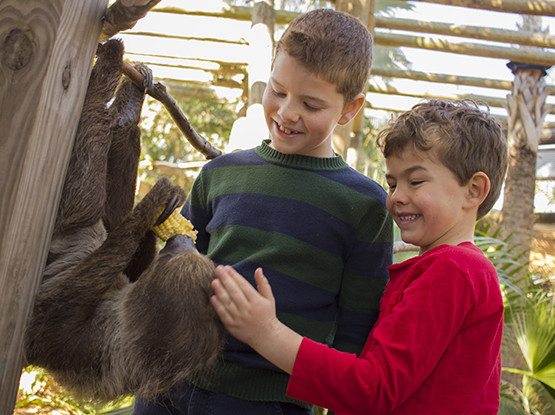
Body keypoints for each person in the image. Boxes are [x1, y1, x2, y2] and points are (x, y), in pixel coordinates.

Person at [133, 8, 393, 415]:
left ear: (349, 109)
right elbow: (178, 265)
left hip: (268, 402)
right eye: (278, 90)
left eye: (310, 104)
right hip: (167, 383)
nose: (287, 113)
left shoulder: (364, 206)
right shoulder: (219, 175)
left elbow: (355, 335)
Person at [210, 99, 509, 414]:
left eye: (416, 181)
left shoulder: (454, 270)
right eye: (392, 183)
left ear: (474, 190)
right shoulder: (445, 268)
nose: (396, 198)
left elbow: (376, 387)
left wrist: (266, 333)